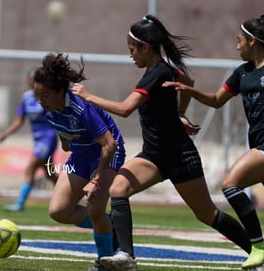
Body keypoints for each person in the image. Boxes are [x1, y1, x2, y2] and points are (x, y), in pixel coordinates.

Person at [72, 14, 252, 271]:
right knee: (118, 189)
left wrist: (88, 96)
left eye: (132, 50)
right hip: (154, 156)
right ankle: (126, 257)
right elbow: (187, 82)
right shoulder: (164, 70)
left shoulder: (157, 73)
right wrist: (179, 113)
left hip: (179, 156)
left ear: (146, 47)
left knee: (207, 214)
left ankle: (257, 251)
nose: (131, 55)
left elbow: (125, 109)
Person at [163, 14, 264, 270]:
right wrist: (190, 92)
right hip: (257, 144)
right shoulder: (242, 73)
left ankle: (258, 245)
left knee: (231, 184)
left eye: (239, 40)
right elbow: (217, 100)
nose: (236, 45)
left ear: (252, 41)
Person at [33, 52, 126, 271]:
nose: (40, 100)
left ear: (59, 92)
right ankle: (109, 224)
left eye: (45, 95)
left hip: (108, 153)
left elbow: (109, 144)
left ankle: (105, 263)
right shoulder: (48, 108)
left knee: (94, 208)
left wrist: (96, 178)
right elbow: (63, 132)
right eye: (37, 94)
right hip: (81, 156)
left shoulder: (80, 106)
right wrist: (66, 142)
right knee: (59, 211)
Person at [0, 68, 58, 212]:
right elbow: (20, 120)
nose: (32, 82)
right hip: (38, 140)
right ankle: (69, 194)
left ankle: (20, 203)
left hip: (48, 138)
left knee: (30, 169)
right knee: (48, 173)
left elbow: (57, 115)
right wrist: (6, 134)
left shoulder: (47, 97)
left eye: (35, 79)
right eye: (31, 79)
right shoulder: (26, 98)